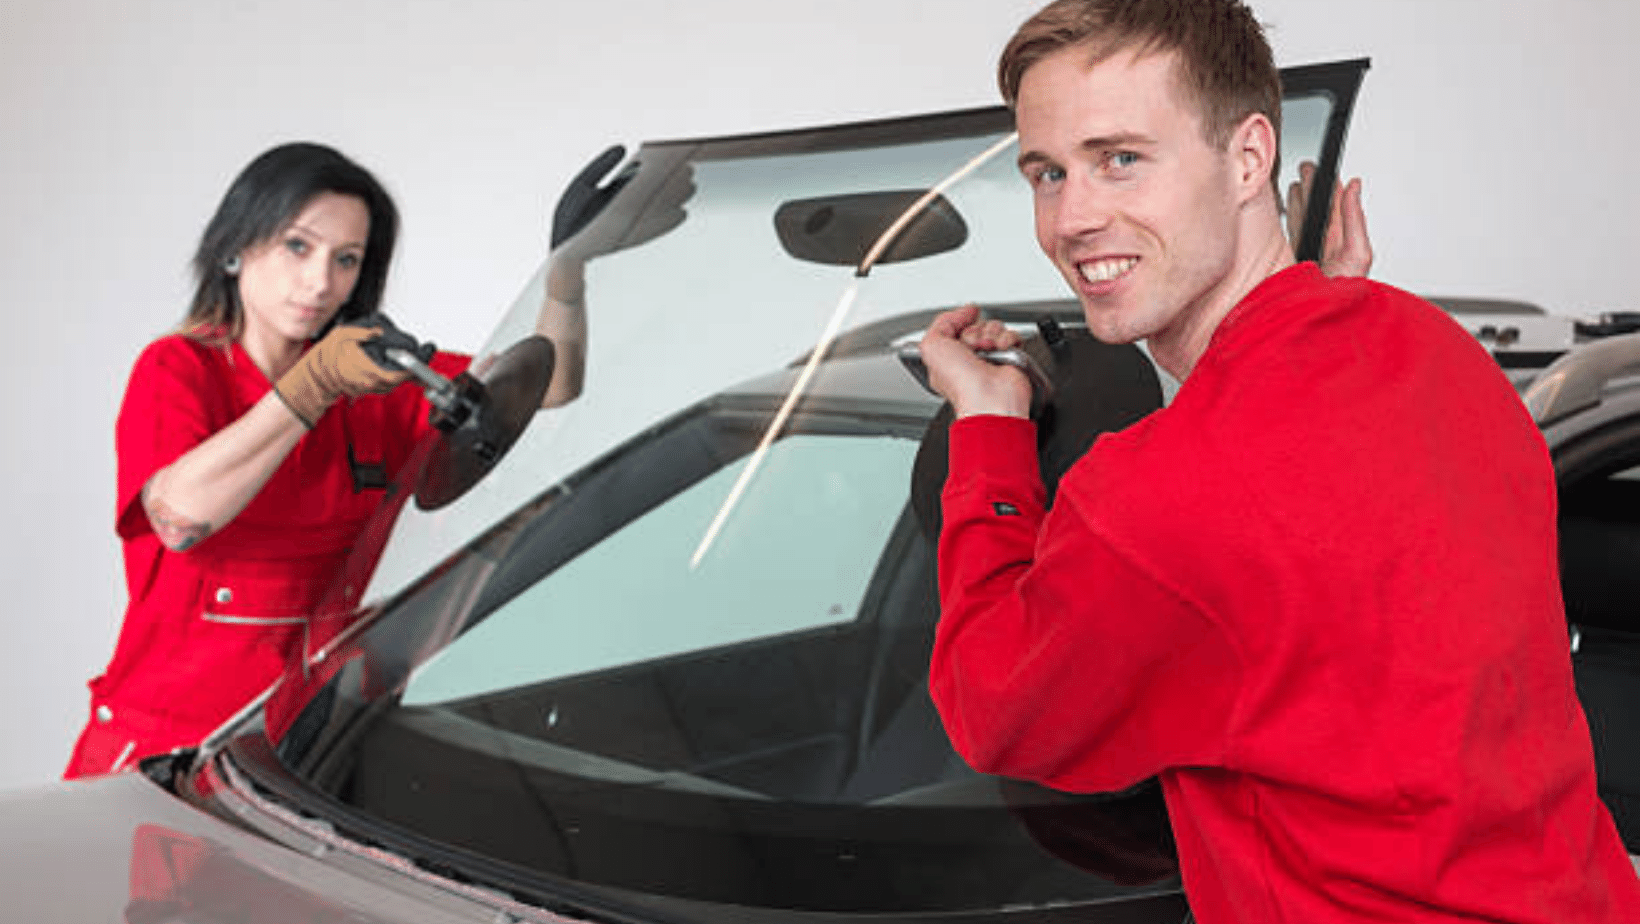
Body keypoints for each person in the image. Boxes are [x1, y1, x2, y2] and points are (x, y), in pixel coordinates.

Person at [918, 1, 1640, 922]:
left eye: (1121, 158)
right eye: (1046, 172)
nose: (1073, 218)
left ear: (1250, 157)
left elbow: (996, 710)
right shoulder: (1442, 355)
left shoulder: (1157, 494)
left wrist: (987, 429)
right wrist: (1313, 312)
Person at [68, 143, 486, 779]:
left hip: (301, 766)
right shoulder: (178, 370)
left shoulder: (372, 386)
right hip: (163, 764)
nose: (321, 282)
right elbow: (180, 517)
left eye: (346, 260)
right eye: (298, 246)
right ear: (237, 246)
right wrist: (313, 385)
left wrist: (572, 282)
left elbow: (529, 394)